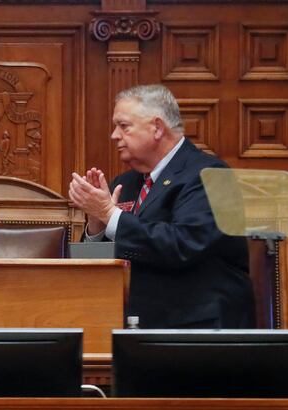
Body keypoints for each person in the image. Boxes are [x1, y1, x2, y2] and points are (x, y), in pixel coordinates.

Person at [68, 84, 254, 329]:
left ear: (157, 128)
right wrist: (97, 226)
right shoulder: (125, 183)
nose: (114, 135)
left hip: (197, 328)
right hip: (132, 323)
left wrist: (109, 214)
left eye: (123, 126)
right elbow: (95, 273)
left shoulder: (210, 174)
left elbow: (184, 244)